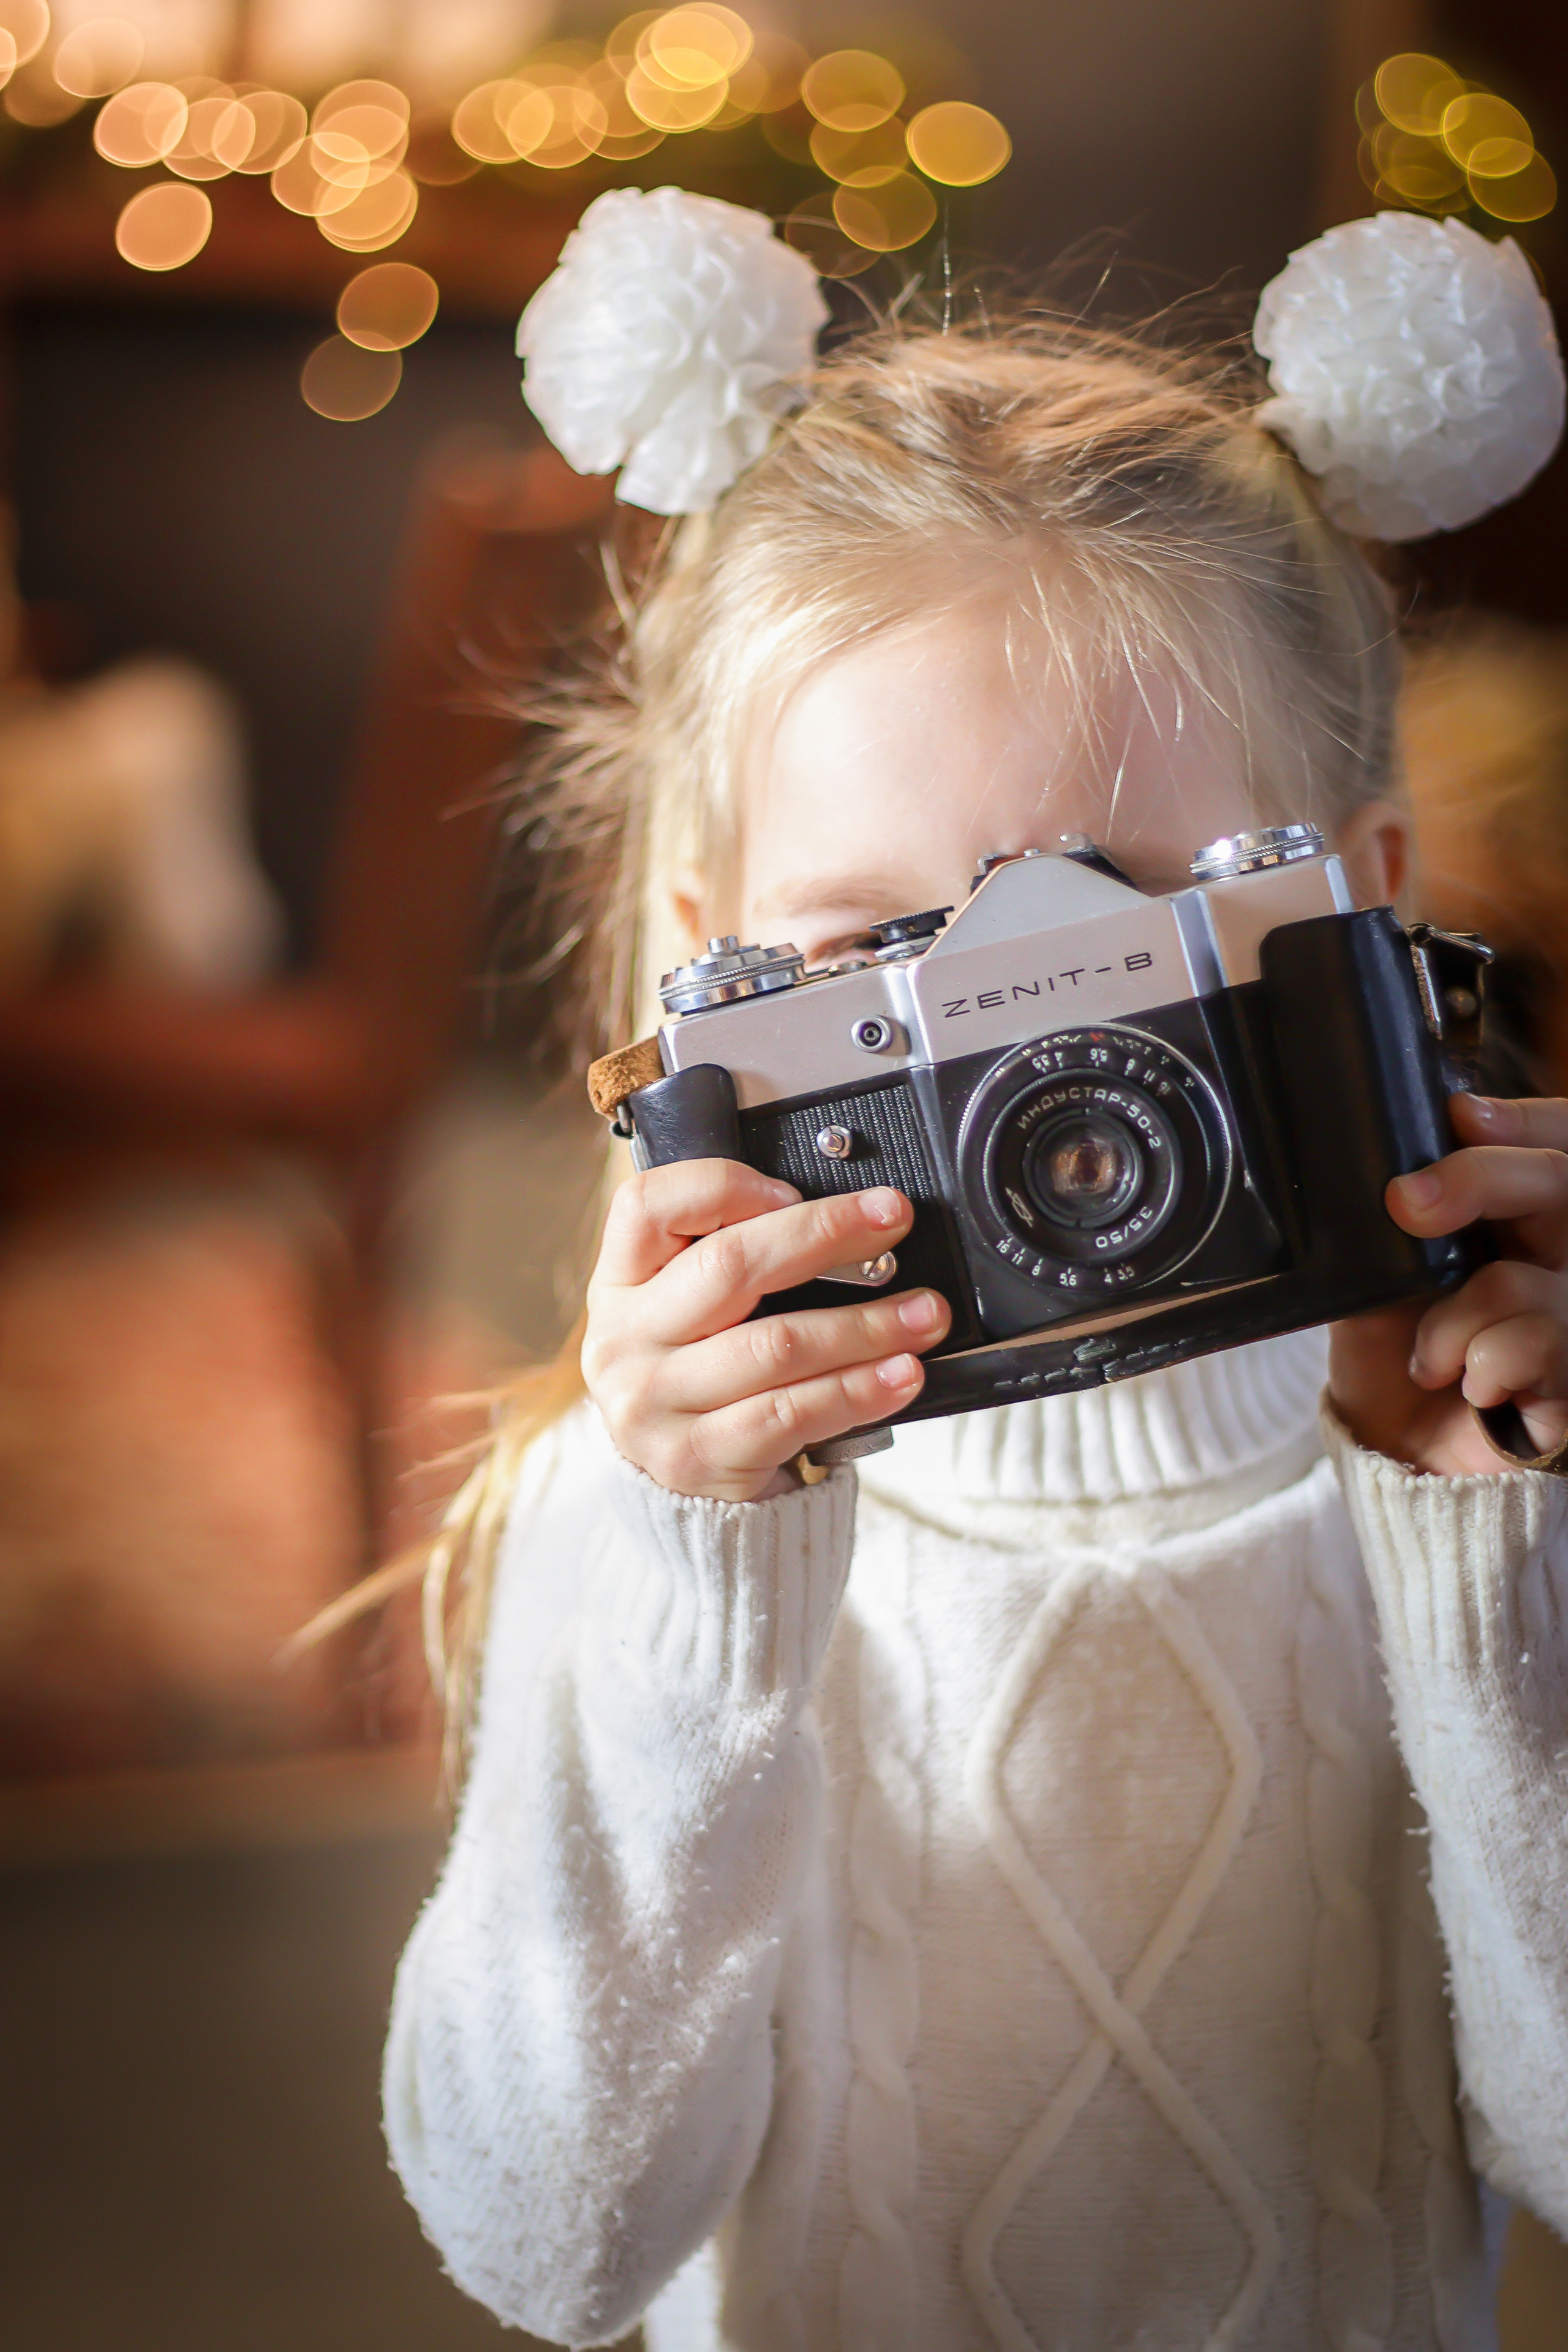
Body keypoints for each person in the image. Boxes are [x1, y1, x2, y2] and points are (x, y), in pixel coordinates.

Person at [381, 195, 1568, 2350]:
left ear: (1363, 907)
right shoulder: (645, 1531)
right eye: (880, 959)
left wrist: (1508, 1563)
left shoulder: (1500, 1480)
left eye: (1123, 921)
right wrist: (696, 1580)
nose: (1041, 1074)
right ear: (711, 968)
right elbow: (550, 2246)